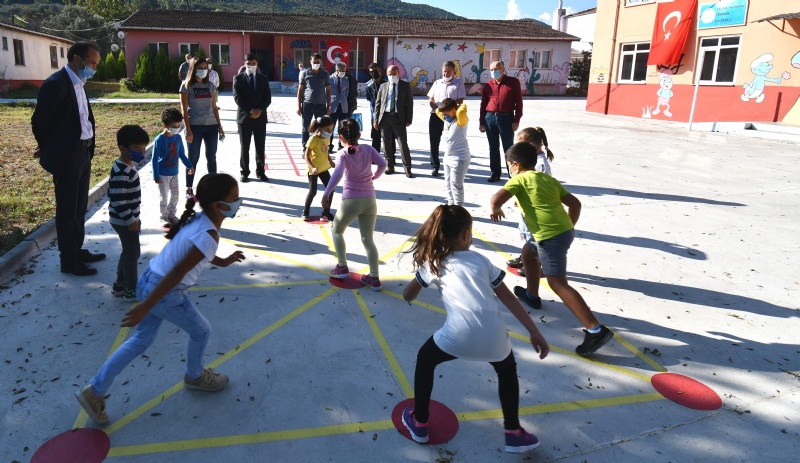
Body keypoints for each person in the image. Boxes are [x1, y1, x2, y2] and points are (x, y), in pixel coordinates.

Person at [74, 173, 246, 426]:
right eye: (235, 198)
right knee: (202, 331)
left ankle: (95, 391)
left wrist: (225, 260)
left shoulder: (198, 221)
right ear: (218, 205)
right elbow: (178, 272)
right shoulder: (208, 234)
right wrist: (146, 306)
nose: (239, 201)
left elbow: (196, 255)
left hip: (150, 278)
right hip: (165, 292)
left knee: (141, 339)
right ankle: (195, 376)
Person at [401, 205, 548, 453]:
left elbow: (408, 295)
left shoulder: (434, 262)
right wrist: (534, 331)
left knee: (425, 360)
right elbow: (510, 299)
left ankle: (420, 422)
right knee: (506, 371)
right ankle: (513, 431)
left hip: (455, 337)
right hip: (495, 340)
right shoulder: (482, 261)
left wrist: (418, 280)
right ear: (467, 234)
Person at [489, 142, 613, 356]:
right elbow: (575, 204)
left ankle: (596, 330)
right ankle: (532, 294)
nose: (509, 169)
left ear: (516, 165)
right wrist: (567, 226)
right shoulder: (548, 179)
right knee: (528, 254)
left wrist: (496, 208)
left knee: (558, 283)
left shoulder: (518, 179)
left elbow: (495, 199)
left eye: (509, 165)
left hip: (549, 237)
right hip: (559, 232)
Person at [31, 41, 106, 276]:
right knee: (67, 210)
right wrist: (48, 147)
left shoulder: (79, 83)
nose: (94, 68)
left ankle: (77, 249)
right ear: (77, 59)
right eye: (92, 63)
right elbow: (39, 122)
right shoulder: (56, 84)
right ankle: (69, 261)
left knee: (79, 207)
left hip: (83, 152)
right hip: (68, 156)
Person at [322, 118, 387, 290]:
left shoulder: (343, 154)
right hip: (370, 200)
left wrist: (327, 193)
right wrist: (375, 176)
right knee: (368, 239)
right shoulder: (368, 148)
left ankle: (342, 266)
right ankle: (374, 277)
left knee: (337, 229)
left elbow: (336, 174)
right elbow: (383, 163)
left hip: (351, 200)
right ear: (359, 134)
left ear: (340, 137)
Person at [506, 127, 554, 281]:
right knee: (525, 231)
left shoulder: (540, 165)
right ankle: (526, 256)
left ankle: (536, 263)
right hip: (526, 204)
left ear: (532, 146)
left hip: (534, 207)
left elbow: (538, 187)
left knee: (532, 234)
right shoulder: (532, 160)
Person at [108, 125, 149, 301]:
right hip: (125, 220)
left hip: (128, 219)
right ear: (123, 148)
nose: (142, 152)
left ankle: (119, 285)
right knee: (132, 255)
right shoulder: (122, 171)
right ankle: (131, 290)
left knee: (128, 252)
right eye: (137, 149)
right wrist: (131, 220)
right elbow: (117, 200)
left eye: (143, 148)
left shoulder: (127, 165)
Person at [180, 57, 224, 196]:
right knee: (193, 158)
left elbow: (214, 107)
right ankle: (189, 188)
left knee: (211, 157)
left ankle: (213, 187)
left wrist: (220, 126)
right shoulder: (186, 86)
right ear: (193, 69)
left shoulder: (211, 86)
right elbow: (184, 110)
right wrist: (188, 130)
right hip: (195, 127)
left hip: (211, 126)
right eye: (201, 68)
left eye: (206, 68)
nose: (204, 70)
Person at [480, 60, 523, 183]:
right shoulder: (488, 85)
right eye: (492, 69)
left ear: (503, 69)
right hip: (490, 118)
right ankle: (495, 173)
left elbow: (519, 102)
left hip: (506, 118)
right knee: (493, 147)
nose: (494, 71)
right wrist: (482, 121)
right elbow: (483, 104)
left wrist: (516, 120)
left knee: (508, 148)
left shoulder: (513, 82)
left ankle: (512, 175)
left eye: (497, 69)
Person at [152, 107, 194, 227]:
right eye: (174, 126)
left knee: (175, 195)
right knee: (164, 196)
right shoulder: (159, 139)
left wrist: (189, 165)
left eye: (178, 126)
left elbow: (181, 154)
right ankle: (163, 216)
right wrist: (155, 176)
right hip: (162, 174)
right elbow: (154, 159)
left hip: (174, 173)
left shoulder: (178, 138)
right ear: (164, 125)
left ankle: (172, 214)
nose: (177, 129)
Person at [233, 53, 272, 183]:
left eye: (253, 63)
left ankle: (260, 172)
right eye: (248, 63)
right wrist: (250, 110)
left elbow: (267, 98)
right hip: (244, 118)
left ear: (257, 64)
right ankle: (244, 172)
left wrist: (259, 110)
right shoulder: (238, 78)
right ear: (244, 64)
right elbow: (237, 98)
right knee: (245, 147)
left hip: (260, 118)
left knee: (260, 146)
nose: (251, 66)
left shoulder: (263, 79)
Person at [373, 65, 414, 177]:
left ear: (398, 73)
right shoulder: (383, 86)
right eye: (390, 74)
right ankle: (390, 166)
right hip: (385, 118)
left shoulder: (405, 86)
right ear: (386, 74)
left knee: (402, 144)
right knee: (386, 144)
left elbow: (409, 104)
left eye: (394, 74)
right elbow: (378, 104)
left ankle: (407, 168)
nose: (392, 76)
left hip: (398, 118)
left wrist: (409, 119)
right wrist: (375, 120)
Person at [427, 61, 466, 177]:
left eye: (448, 71)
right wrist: (437, 108)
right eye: (444, 71)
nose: (446, 73)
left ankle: (452, 165)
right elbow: (431, 99)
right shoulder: (437, 83)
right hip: (436, 115)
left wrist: (449, 111)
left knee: (452, 141)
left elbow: (460, 101)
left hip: (451, 117)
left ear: (454, 71)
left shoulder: (458, 83)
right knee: (434, 142)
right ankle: (435, 166)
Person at [436, 98, 470, 206]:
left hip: (459, 158)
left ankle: (459, 208)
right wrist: (446, 110)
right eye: (444, 114)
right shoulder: (446, 120)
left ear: (454, 111)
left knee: (456, 185)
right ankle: (451, 205)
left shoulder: (461, 121)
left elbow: (463, 109)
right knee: (448, 184)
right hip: (447, 157)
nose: (444, 116)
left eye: (446, 114)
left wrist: (458, 106)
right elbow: (438, 111)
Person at [302, 115, 336, 222]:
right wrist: (312, 167)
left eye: (331, 129)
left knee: (330, 189)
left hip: (324, 169)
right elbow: (306, 156)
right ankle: (306, 212)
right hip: (313, 170)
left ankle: (326, 213)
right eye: (327, 130)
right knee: (313, 192)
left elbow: (325, 151)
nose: (330, 132)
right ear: (320, 129)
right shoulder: (313, 139)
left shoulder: (327, 138)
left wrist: (330, 161)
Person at [297, 53, 331, 149]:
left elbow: (328, 91)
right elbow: (300, 90)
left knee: (322, 128)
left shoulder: (325, 74)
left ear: (321, 62)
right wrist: (298, 106)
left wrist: (329, 106)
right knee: (306, 128)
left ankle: (321, 148)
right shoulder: (304, 73)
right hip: (307, 104)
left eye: (318, 62)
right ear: (310, 62)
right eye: (314, 62)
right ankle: (305, 148)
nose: (316, 63)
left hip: (321, 105)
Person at [364, 63, 386, 155]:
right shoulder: (369, 85)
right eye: (371, 72)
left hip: (387, 112)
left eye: (375, 71)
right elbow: (370, 99)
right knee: (375, 135)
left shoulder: (387, 82)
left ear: (380, 70)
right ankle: (375, 155)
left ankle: (390, 157)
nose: (373, 73)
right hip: (375, 114)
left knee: (388, 135)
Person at [329, 62, 351, 153]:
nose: (344, 73)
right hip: (332, 106)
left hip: (343, 106)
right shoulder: (329, 79)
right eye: (342, 71)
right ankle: (329, 145)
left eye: (345, 71)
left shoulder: (346, 80)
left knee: (342, 128)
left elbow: (346, 92)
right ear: (337, 70)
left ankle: (341, 145)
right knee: (330, 127)